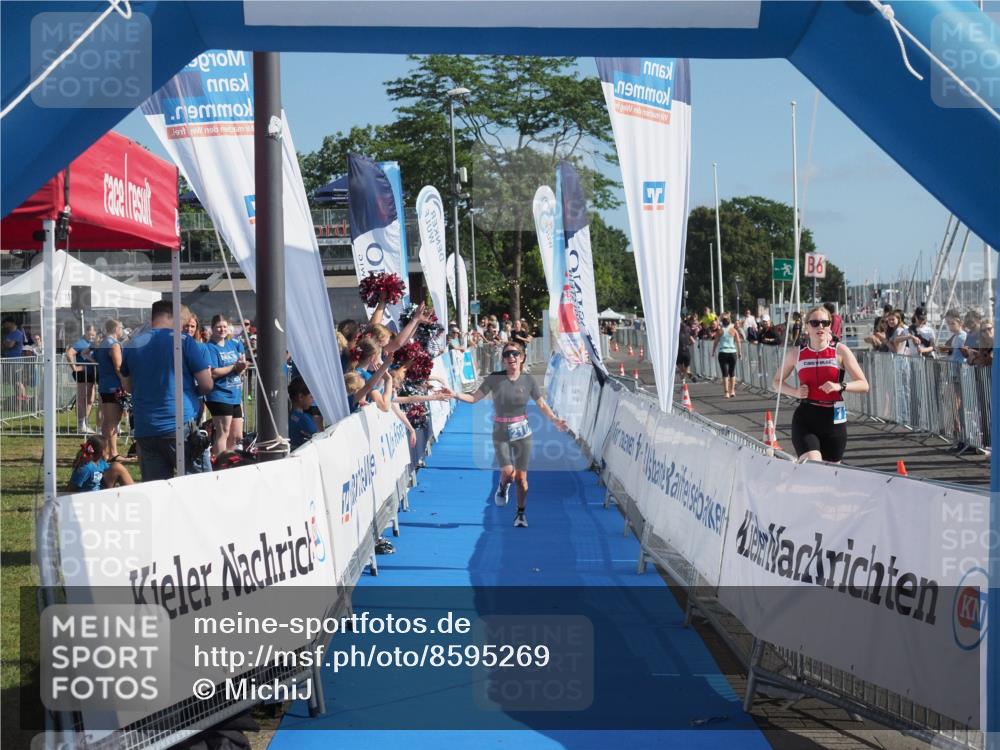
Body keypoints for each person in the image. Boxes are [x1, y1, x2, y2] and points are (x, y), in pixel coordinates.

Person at [444, 341, 567, 528]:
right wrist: (455, 394)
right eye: (507, 354)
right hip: (501, 431)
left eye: (515, 354)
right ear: (503, 360)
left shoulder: (528, 380)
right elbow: (474, 398)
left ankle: (520, 513)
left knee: (522, 479)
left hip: (523, 432)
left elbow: (541, 404)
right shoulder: (495, 378)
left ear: (522, 357)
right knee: (509, 474)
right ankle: (503, 486)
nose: (511, 357)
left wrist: (555, 420)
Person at [120, 300, 214, 481]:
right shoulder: (183, 341)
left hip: (146, 428)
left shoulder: (133, 344)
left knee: (156, 489)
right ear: (173, 316)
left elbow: (128, 386)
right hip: (179, 424)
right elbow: (207, 384)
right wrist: (193, 392)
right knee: (199, 486)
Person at [773, 305, 869, 463]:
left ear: (830, 326)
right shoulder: (796, 353)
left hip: (834, 418)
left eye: (825, 323)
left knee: (831, 471)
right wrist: (795, 392)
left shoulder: (840, 351)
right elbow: (776, 382)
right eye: (815, 323)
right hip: (806, 417)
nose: (820, 326)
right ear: (807, 327)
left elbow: (864, 385)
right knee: (813, 464)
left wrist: (841, 386)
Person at [204, 315, 248, 458]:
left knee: (237, 435)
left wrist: (241, 367)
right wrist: (234, 367)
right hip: (219, 395)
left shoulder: (232, 344)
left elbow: (239, 367)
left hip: (235, 394)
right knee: (223, 433)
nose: (222, 329)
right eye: (218, 327)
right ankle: (219, 463)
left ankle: (230, 462)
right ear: (212, 328)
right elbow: (213, 372)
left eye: (224, 326)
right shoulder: (210, 347)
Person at [94, 319, 127, 459]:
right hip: (114, 386)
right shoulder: (113, 344)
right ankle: (113, 453)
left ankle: (105, 452)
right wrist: (126, 383)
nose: (122, 330)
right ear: (116, 329)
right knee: (113, 420)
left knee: (108, 420)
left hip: (104, 385)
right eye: (121, 327)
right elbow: (118, 367)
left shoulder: (102, 343)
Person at [67, 435, 134, 492]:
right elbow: (70, 489)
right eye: (107, 449)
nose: (108, 451)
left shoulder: (101, 462)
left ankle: (134, 494)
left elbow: (110, 471)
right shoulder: (86, 468)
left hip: (100, 494)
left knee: (117, 466)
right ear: (102, 452)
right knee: (117, 466)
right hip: (89, 498)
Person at [67, 325, 99, 434]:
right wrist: (75, 368)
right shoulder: (80, 343)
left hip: (91, 374)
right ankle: (81, 425)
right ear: (85, 332)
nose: (92, 337)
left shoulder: (92, 343)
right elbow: (69, 354)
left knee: (90, 399)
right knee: (82, 398)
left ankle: (85, 423)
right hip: (82, 374)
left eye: (93, 335)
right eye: (90, 334)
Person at [711, 315, 742, 398]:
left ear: (722, 323)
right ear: (730, 322)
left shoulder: (719, 331)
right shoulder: (734, 330)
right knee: (732, 372)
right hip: (732, 352)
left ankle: (726, 392)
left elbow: (715, 342)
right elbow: (738, 342)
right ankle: (732, 391)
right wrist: (740, 352)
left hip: (723, 352)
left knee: (725, 373)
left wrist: (713, 351)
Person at [2, 317, 28, 402]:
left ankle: (24, 399)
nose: (4, 326)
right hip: (9, 360)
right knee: (14, 381)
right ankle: (19, 398)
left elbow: (10, 345)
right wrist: (5, 343)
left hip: (15, 360)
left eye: (5, 323)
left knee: (17, 381)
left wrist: (5, 343)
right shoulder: (10, 334)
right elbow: (5, 344)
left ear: (11, 323)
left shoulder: (17, 333)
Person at [288, 377, 319, 449]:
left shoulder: (289, 416)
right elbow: (316, 435)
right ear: (301, 397)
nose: (313, 400)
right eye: (311, 396)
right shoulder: (305, 420)